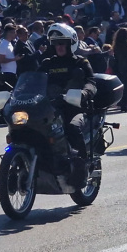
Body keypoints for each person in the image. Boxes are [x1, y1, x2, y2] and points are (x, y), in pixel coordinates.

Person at [37, 23, 96, 188]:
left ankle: (81, 169)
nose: (59, 47)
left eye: (62, 42)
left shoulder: (80, 62)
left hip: (74, 108)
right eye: (56, 43)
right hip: (51, 108)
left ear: (71, 43)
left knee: (72, 128)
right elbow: (34, 80)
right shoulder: (48, 63)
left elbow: (91, 83)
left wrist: (85, 93)